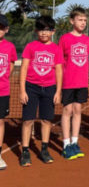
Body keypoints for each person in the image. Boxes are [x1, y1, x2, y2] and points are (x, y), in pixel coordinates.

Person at [19, 16, 63, 166]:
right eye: (41, 30)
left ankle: (44, 149)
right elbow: (24, 68)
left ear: (53, 31)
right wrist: (22, 90)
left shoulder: (56, 49)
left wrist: (58, 91)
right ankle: (25, 151)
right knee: (28, 120)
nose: (44, 33)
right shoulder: (30, 46)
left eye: (47, 30)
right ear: (36, 31)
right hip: (31, 87)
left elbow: (58, 70)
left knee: (46, 120)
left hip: (49, 88)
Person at [59, 7, 89, 160]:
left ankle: (74, 142)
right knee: (67, 111)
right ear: (72, 21)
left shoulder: (87, 40)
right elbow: (59, 62)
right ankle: (66, 144)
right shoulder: (64, 38)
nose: (83, 22)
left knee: (78, 110)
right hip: (67, 82)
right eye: (80, 19)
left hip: (82, 82)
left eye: (85, 20)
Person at [0, 14, 17, 170]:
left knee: (0, 121)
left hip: (3, 91)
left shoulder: (9, 46)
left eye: (1, 27)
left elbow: (11, 64)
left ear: (6, 29)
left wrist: (4, 77)